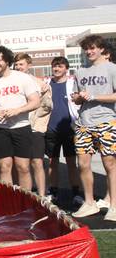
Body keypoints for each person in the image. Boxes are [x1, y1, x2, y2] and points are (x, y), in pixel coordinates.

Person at [0, 46, 40, 188]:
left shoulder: (22, 78)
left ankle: (26, 202)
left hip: (21, 127)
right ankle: (8, 202)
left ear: (7, 61)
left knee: (22, 167)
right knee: (4, 166)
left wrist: (18, 110)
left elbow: (36, 101)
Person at [69, 35, 116, 220]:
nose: (89, 52)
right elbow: (77, 98)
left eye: (93, 48)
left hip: (107, 121)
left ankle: (114, 206)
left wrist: (94, 96)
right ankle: (89, 203)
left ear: (102, 49)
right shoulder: (80, 71)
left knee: (110, 164)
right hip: (83, 123)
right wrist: (78, 97)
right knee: (83, 164)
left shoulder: (112, 69)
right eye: (86, 49)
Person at [14, 53, 52, 198]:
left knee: (37, 162)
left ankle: (43, 195)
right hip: (17, 127)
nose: (18, 67)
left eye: (21, 64)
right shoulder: (11, 83)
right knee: (21, 164)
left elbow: (47, 108)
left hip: (35, 128)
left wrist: (43, 94)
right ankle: (25, 195)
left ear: (29, 65)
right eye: (16, 64)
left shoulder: (40, 84)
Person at [45, 56, 82, 204]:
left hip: (69, 129)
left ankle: (76, 193)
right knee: (53, 163)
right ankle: (53, 192)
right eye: (54, 66)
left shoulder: (73, 84)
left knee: (71, 162)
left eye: (60, 66)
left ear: (66, 68)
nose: (57, 69)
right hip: (51, 129)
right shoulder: (46, 84)